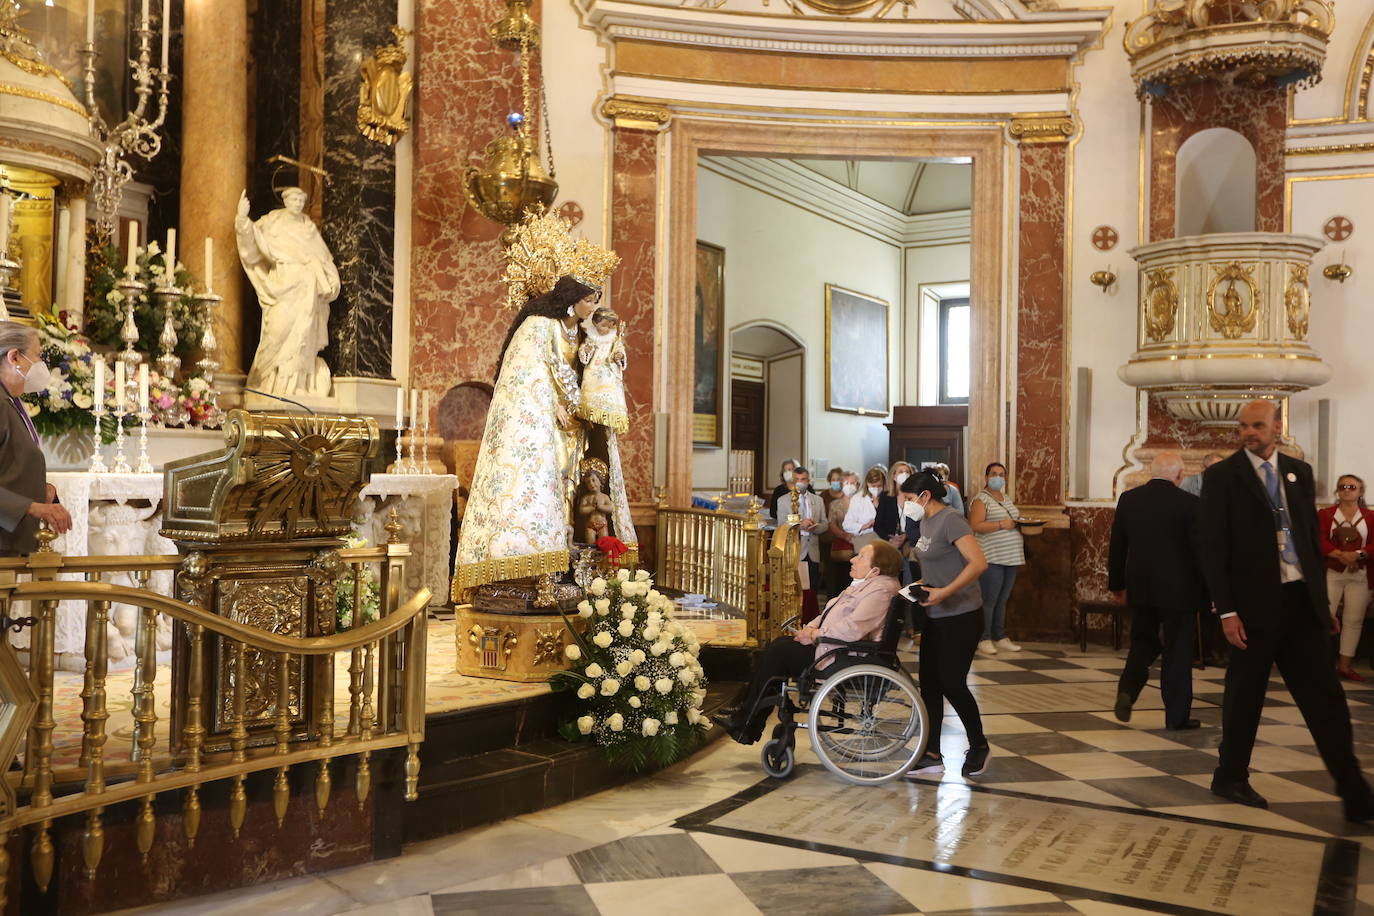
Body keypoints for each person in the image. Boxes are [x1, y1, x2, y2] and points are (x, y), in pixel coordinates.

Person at [1200, 399, 1374, 819]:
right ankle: (1231, 775)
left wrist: (1320, 604)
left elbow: (1309, 546)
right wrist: (1226, 611)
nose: (1248, 432)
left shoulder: (1300, 473)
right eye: (1243, 426)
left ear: (1277, 426)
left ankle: (1353, 790)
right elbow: (1212, 549)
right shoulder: (1222, 477)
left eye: (1257, 425)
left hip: (1299, 603)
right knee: (1245, 696)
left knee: (1325, 698)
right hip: (1252, 607)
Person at [454, 212, 624, 594]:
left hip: (571, 425)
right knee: (540, 484)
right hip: (544, 421)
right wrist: (557, 404)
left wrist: (606, 361)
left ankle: (564, 558)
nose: (592, 307)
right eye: (588, 299)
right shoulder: (538, 325)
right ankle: (527, 563)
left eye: (595, 299)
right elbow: (529, 375)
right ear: (571, 297)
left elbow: (584, 368)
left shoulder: (578, 330)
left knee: (567, 488)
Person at [712, 541, 903, 745]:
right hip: (834, 646)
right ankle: (746, 714)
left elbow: (854, 627)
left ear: (876, 569)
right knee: (778, 647)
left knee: (779, 652)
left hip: (847, 655)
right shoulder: (867, 585)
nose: (853, 559)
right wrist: (809, 630)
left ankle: (747, 721)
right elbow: (830, 612)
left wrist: (815, 635)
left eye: (861, 556)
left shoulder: (880, 591)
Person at [901, 470, 991, 779]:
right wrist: (923, 587)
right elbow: (937, 565)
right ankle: (932, 753)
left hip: (962, 614)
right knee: (930, 684)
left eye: (910, 499)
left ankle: (979, 745)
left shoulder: (952, 519)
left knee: (952, 682)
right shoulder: (925, 521)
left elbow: (978, 563)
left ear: (925, 496)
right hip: (935, 613)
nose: (907, 504)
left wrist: (944, 592)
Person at [1108, 451, 1207, 730]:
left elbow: (1117, 547)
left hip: (1141, 587)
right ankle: (1177, 717)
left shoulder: (1130, 499)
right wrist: (1211, 592)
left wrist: (1117, 585)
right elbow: (1200, 552)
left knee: (1143, 641)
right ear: (1179, 475)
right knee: (1177, 651)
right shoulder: (1190, 504)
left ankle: (1127, 690)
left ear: (1152, 472)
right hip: (1180, 590)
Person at [236, 186, 341, 397]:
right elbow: (252, 243)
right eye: (294, 200)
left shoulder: (308, 228)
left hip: (307, 288)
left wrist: (332, 279)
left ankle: (297, 384)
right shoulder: (272, 222)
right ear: (285, 201)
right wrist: (242, 219)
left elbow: (324, 259)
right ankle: (266, 380)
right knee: (276, 331)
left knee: (303, 338)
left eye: (301, 201)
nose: (298, 204)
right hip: (283, 284)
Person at [0, 322, 71, 555]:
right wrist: (32, 507)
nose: (41, 364)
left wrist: (40, 491)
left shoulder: (10, 402)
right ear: (14, 357)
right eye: (37, 355)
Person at [1319, 474, 1374, 681]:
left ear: (1360, 491)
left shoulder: (1370, 516)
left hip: (1361, 574)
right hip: (1332, 572)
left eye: (1352, 486)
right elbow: (1319, 539)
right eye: (1342, 486)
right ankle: (1321, 664)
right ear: (1337, 491)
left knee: (1354, 619)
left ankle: (1345, 665)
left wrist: (1357, 555)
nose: (1347, 490)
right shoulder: (1325, 514)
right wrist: (1340, 555)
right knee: (1325, 617)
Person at [968, 462, 1026, 656]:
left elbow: (1013, 519)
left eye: (1001, 474)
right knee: (989, 599)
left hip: (1011, 556)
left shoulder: (1006, 497)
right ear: (986, 477)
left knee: (1003, 598)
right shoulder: (980, 499)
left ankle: (1000, 635)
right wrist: (1001, 524)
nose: (998, 477)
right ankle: (984, 638)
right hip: (992, 556)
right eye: (994, 474)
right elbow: (975, 525)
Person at [791, 467, 828, 623]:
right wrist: (801, 525)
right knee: (796, 589)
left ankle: (810, 621)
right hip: (795, 550)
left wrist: (815, 526)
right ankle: (795, 619)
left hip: (812, 549)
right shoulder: (784, 500)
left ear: (808, 481)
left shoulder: (817, 500)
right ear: (793, 481)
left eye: (803, 479)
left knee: (812, 589)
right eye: (797, 480)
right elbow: (782, 524)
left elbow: (825, 524)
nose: (801, 483)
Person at [826, 472, 859, 596]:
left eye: (852, 483)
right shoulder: (835, 504)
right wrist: (845, 535)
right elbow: (832, 524)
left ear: (858, 485)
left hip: (859, 544)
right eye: (846, 483)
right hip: (841, 548)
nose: (849, 486)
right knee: (839, 580)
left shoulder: (863, 502)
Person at [842, 465, 887, 552]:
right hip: (864, 538)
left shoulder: (889, 497)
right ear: (867, 483)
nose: (876, 489)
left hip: (884, 539)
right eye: (873, 486)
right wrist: (864, 526)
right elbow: (847, 524)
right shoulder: (857, 499)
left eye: (879, 485)